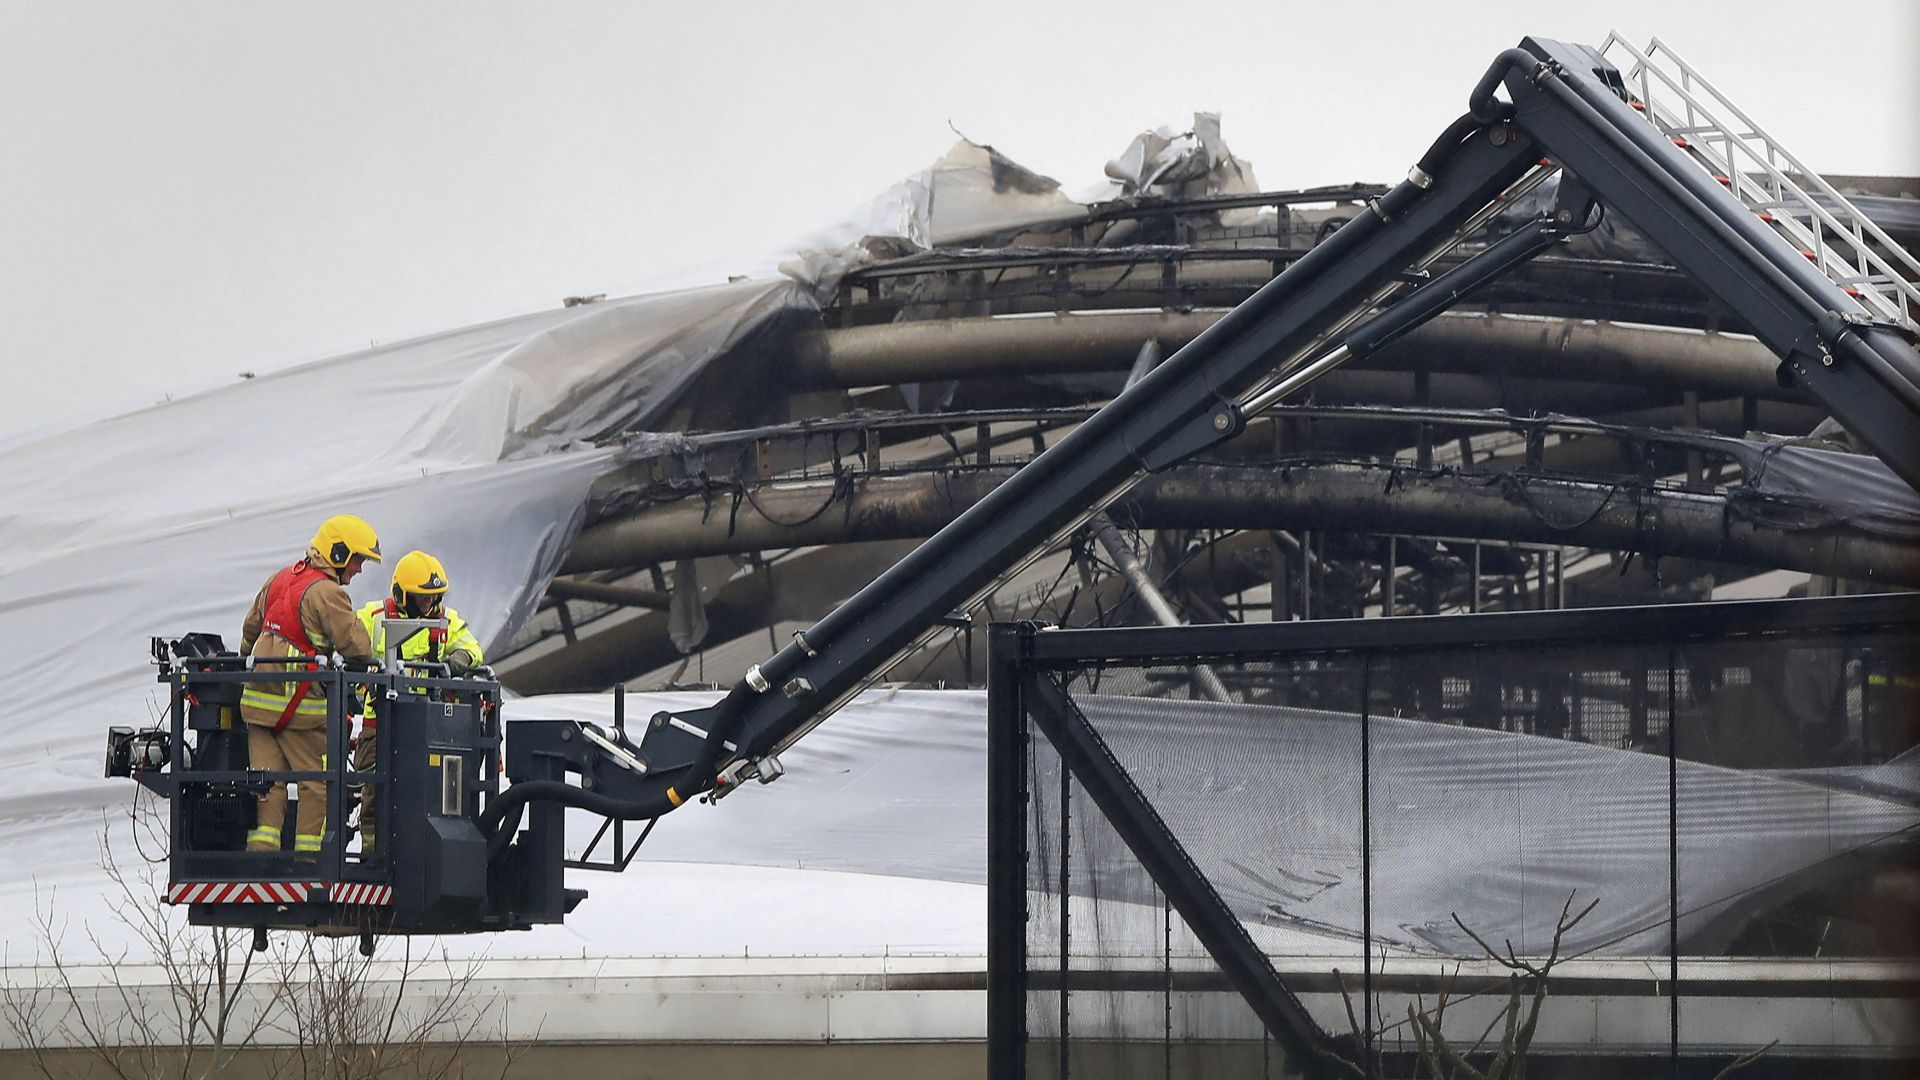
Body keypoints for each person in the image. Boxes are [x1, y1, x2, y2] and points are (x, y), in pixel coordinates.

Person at [238, 514, 381, 854]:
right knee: (317, 785)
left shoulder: (279, 579)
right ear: (339, 552)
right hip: (302, 712)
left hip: (257, 706)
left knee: (267, 786)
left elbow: (249, 631)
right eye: (358, 559)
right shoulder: (328, 593)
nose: (359, 569)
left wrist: (248, 660)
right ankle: (309, 863)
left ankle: (261, 861)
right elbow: (357, 647)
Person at [352, 550, 483, 852]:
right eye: (421, 597)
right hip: (379, 725)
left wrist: (460, 658)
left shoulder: (447, 620)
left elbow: (472, 647)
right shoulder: (373, 617)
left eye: (434, 597)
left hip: (428, 726)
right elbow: (345, 641)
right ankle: (373, 856)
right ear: (401, 594)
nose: (428, 604)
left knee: (427, 797)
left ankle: (414, 855)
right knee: (373, 797)